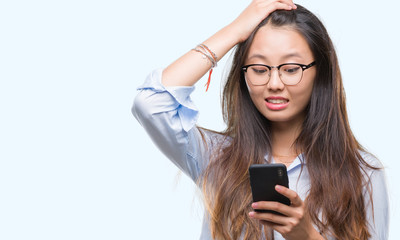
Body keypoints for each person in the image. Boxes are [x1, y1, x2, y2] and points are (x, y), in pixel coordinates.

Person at [132, 0, 389, 239]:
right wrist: (235, 31)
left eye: (290, 69)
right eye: (258, 69)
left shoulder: (362, 173)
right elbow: (152, 103)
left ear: (320, 73)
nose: (274, 83)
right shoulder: (216, 157)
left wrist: (307, 235)